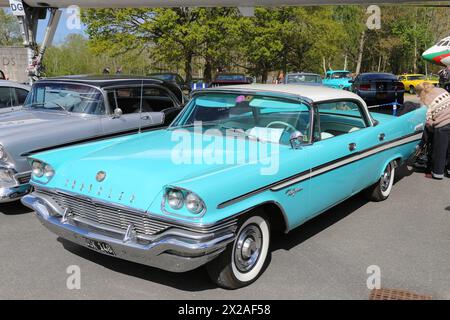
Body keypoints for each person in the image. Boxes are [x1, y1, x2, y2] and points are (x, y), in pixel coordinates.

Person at [416, 82, 450, 179]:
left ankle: (437, 173)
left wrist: (431, 131)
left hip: (443, 125)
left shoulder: (425, 100)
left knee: (439, 150)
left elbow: (428, 121)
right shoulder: (442, 90)